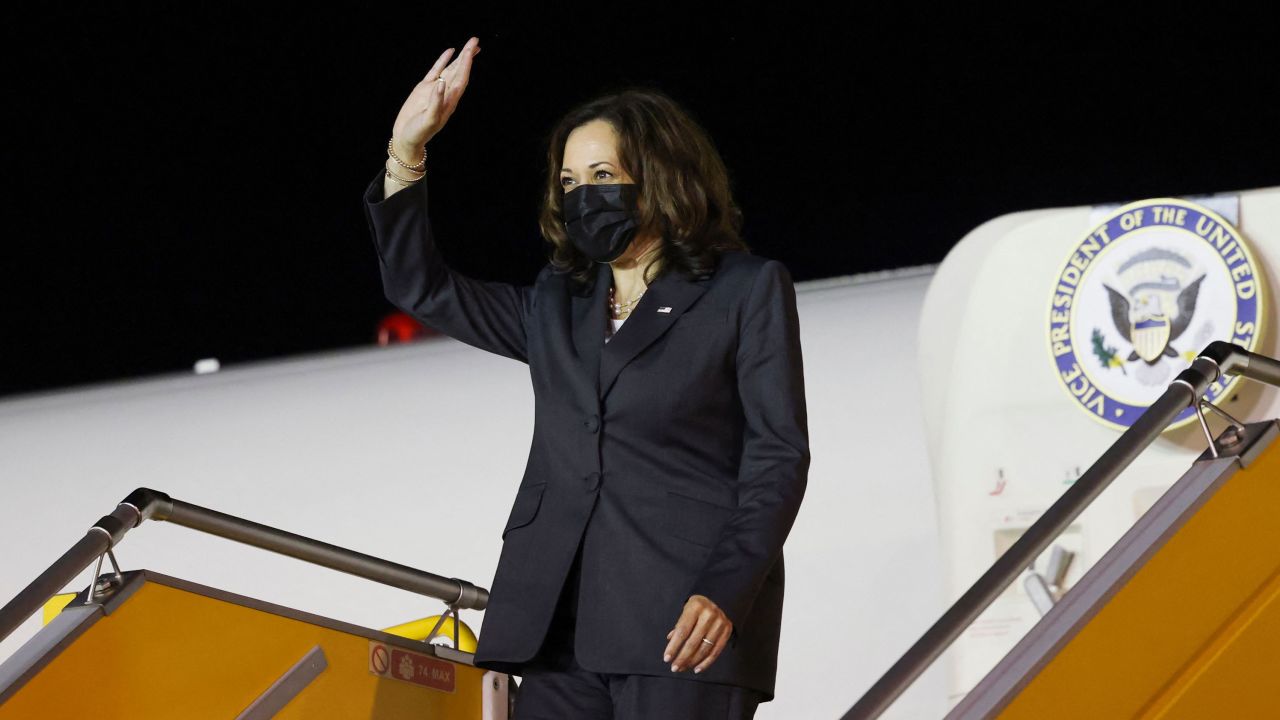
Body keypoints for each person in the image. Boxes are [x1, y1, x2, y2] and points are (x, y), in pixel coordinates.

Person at [362, 36, 810, 720]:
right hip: (557, 631)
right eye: (570, 183)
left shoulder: (744, 291)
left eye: (602, 176)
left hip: (681, 628)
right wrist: (407, 151)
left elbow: (778, 456)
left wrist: (727, 590)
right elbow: (421, 287)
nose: (583, 196)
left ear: (658, 175)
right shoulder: (556, 302)